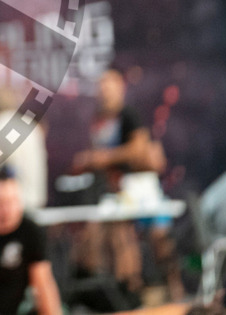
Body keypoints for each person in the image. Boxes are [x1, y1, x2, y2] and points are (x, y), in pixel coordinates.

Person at [70, 68, 180, 299]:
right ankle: (130, 290)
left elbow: (138, 148)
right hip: (115, 191)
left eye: (109, 85)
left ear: (120, 87)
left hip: (141, 190)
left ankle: (172, 290)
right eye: (102, 85)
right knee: (115, 237)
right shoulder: (98, 119)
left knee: (159, 240)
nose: (105, 90)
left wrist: (104, 158)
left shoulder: (129, 114)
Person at [0, 167, 62, 315]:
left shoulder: (31, 231)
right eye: (2, 202)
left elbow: (43, 284)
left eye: (13, 201)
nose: (8, 210)